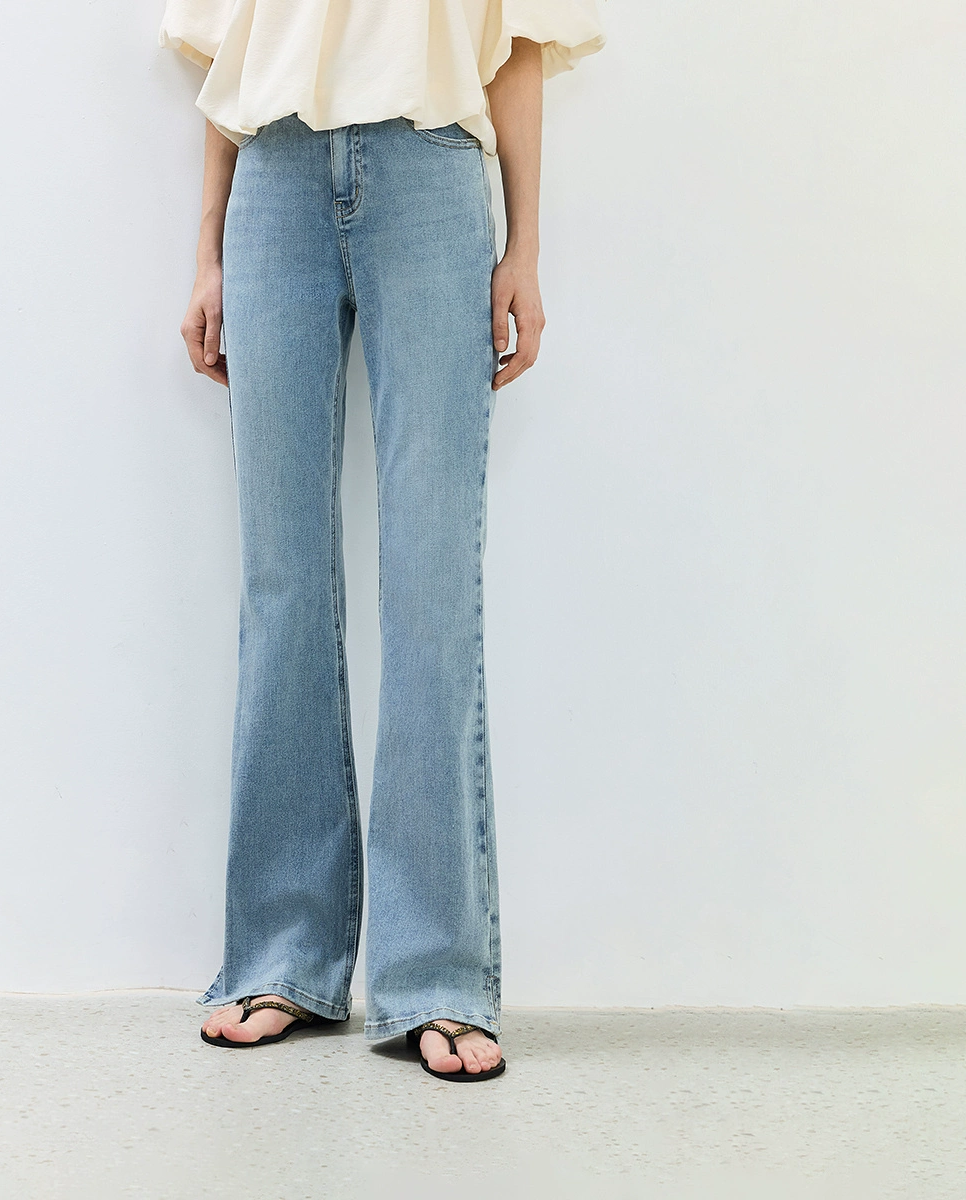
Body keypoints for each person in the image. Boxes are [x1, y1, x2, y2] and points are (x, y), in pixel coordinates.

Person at [161, 0, 605, 1082]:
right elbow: (228, 57)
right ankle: (282, 957)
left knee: (432, 585)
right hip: (272, 184)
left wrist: (525, 247)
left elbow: (518, 44)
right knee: (282, 586)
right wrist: (207, 251)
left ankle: (437, 976)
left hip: (431, 179)